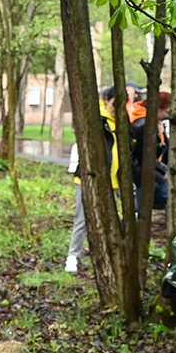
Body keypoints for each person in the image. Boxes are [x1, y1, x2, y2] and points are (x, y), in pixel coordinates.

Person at [65, 87, 118, 273]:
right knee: (82, 219)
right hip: (89, 179)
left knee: (105, 222)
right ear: (106, 100)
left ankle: (97, 256)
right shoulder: (97, 119)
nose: (117, 108)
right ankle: (72, 256)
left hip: (113, 182)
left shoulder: (120, 122)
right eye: (114, 103)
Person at [128, 91, 170, 211]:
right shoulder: (144, 125)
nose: (167, 114)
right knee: (142, 207)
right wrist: (163, 171)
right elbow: (143, 155)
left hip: (150, 168)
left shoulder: (157, 124)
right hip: (140, 170)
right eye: (166, 110)